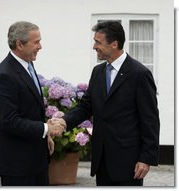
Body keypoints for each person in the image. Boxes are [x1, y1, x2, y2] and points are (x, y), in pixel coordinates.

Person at [52, 21, 160, 186]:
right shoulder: (98, 72)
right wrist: (64, 121)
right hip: (102, 161)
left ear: (114, 44)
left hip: (128, 162)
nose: (94, 47)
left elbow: (150, 119)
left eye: (98, 42)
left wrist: (146, 158)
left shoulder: (140, 74)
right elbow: (85, 106)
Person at [0, 21, 65, 186]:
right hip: (17, 165)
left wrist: (45, 136)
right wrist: (46, 128)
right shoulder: (5, 76)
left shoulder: (27, 66)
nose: (40, 46)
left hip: (35, 159)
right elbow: (9, 121)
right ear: (19, 44)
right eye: (36, 42)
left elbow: (29, 110)